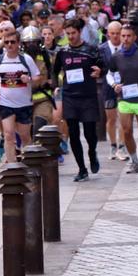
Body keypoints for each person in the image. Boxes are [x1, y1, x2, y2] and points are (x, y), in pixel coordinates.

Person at [55, 18, 103, 182]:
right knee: (73, 133)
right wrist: (57, 85)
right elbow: (55, 72)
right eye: (68, 34)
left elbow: (103, 67)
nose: (71, 37)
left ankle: (92, 152)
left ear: (80, 32)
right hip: (70, 97)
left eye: (73, 33)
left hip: (88, 96)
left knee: (90, 133)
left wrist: (99, 72)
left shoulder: (91, 49)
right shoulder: (63, 51)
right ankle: (82, 169)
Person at [107, 25, 138, 173]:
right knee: (127, 131)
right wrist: (114, 84)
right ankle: (135, 162)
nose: (125, 39)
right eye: (123, 36)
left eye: (129, 36)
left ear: (134, 37)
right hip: (125, 99)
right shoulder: (116, 56)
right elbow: (109, 74)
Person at [0, 28, 41, 165]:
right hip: (5, 103)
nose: (9, 45)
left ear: (18, 43)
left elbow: (37, 77)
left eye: (12, 42)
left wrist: (29, 79)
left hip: (24, 104)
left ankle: (28, 163)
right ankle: (12, 166)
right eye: (6, 42)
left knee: (25, 135)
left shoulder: (26, 59)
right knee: (8, 134)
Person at [98, 21, 125, 160]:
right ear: (108, 34)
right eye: (112, 33)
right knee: (111, 119)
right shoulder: (101, 49)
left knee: (123, 118)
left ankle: (122, 147)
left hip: (125, 87)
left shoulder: (126, 47)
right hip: (108, 88)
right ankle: (113, 145)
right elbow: (98, 67)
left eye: (118, 33)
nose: (115, 36)